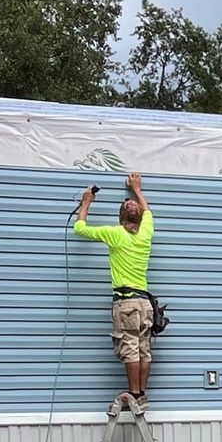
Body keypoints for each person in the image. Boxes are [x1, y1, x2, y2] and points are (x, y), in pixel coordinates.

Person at [74, 172, 157, 412]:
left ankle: (133, 394)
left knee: (130, 346)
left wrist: (86, 202)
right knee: (144, 349)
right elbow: (148, 211)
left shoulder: (115, 234)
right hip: (145, 303)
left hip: (126, 302)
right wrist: (137, 189)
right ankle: (142, 395)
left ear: (120, 218)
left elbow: (80, 228)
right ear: (140, 219)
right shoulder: (146, 233)